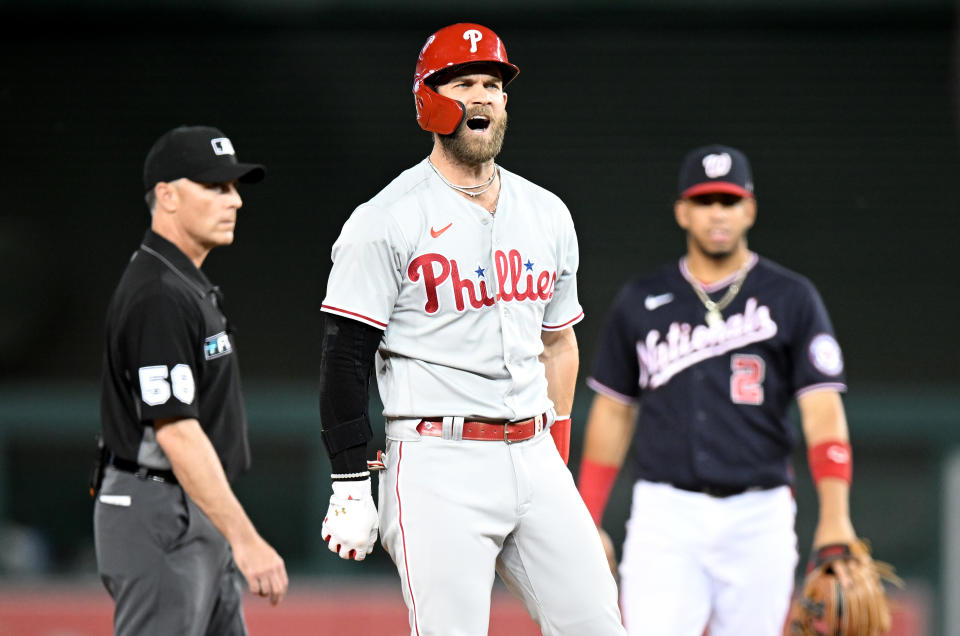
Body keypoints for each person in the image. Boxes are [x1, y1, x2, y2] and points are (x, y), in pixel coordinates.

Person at [317, 23, 625, 636]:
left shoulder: (547, 212)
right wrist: (349, 479)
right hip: (438, 459)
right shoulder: (385, 219)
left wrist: (556, 455)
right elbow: (345, 358)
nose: (482, 96)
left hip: (535, 451)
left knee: (600, 627)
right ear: (429, 99)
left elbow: (558, 343)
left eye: (492, 84)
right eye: (464, 83)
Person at [577, 144, 859, 636]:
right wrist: (588, 514)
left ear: (749, 208)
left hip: (760, 513)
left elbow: (822, 412)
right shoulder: (642, 300)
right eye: (705, 201)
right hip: (666, 513)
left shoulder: (791, 296)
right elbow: (613, 412)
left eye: (728, 201)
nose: (717, 213)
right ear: (683, 212)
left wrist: (835, 517)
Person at [94, 125, 288, 636]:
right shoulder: (158, 293)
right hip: (158, 510)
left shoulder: (182, 283)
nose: (235, 201)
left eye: (235, 187)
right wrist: (246, 540)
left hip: (189, 506)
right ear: (167, 196)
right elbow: (176, 431)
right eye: (216, 187)